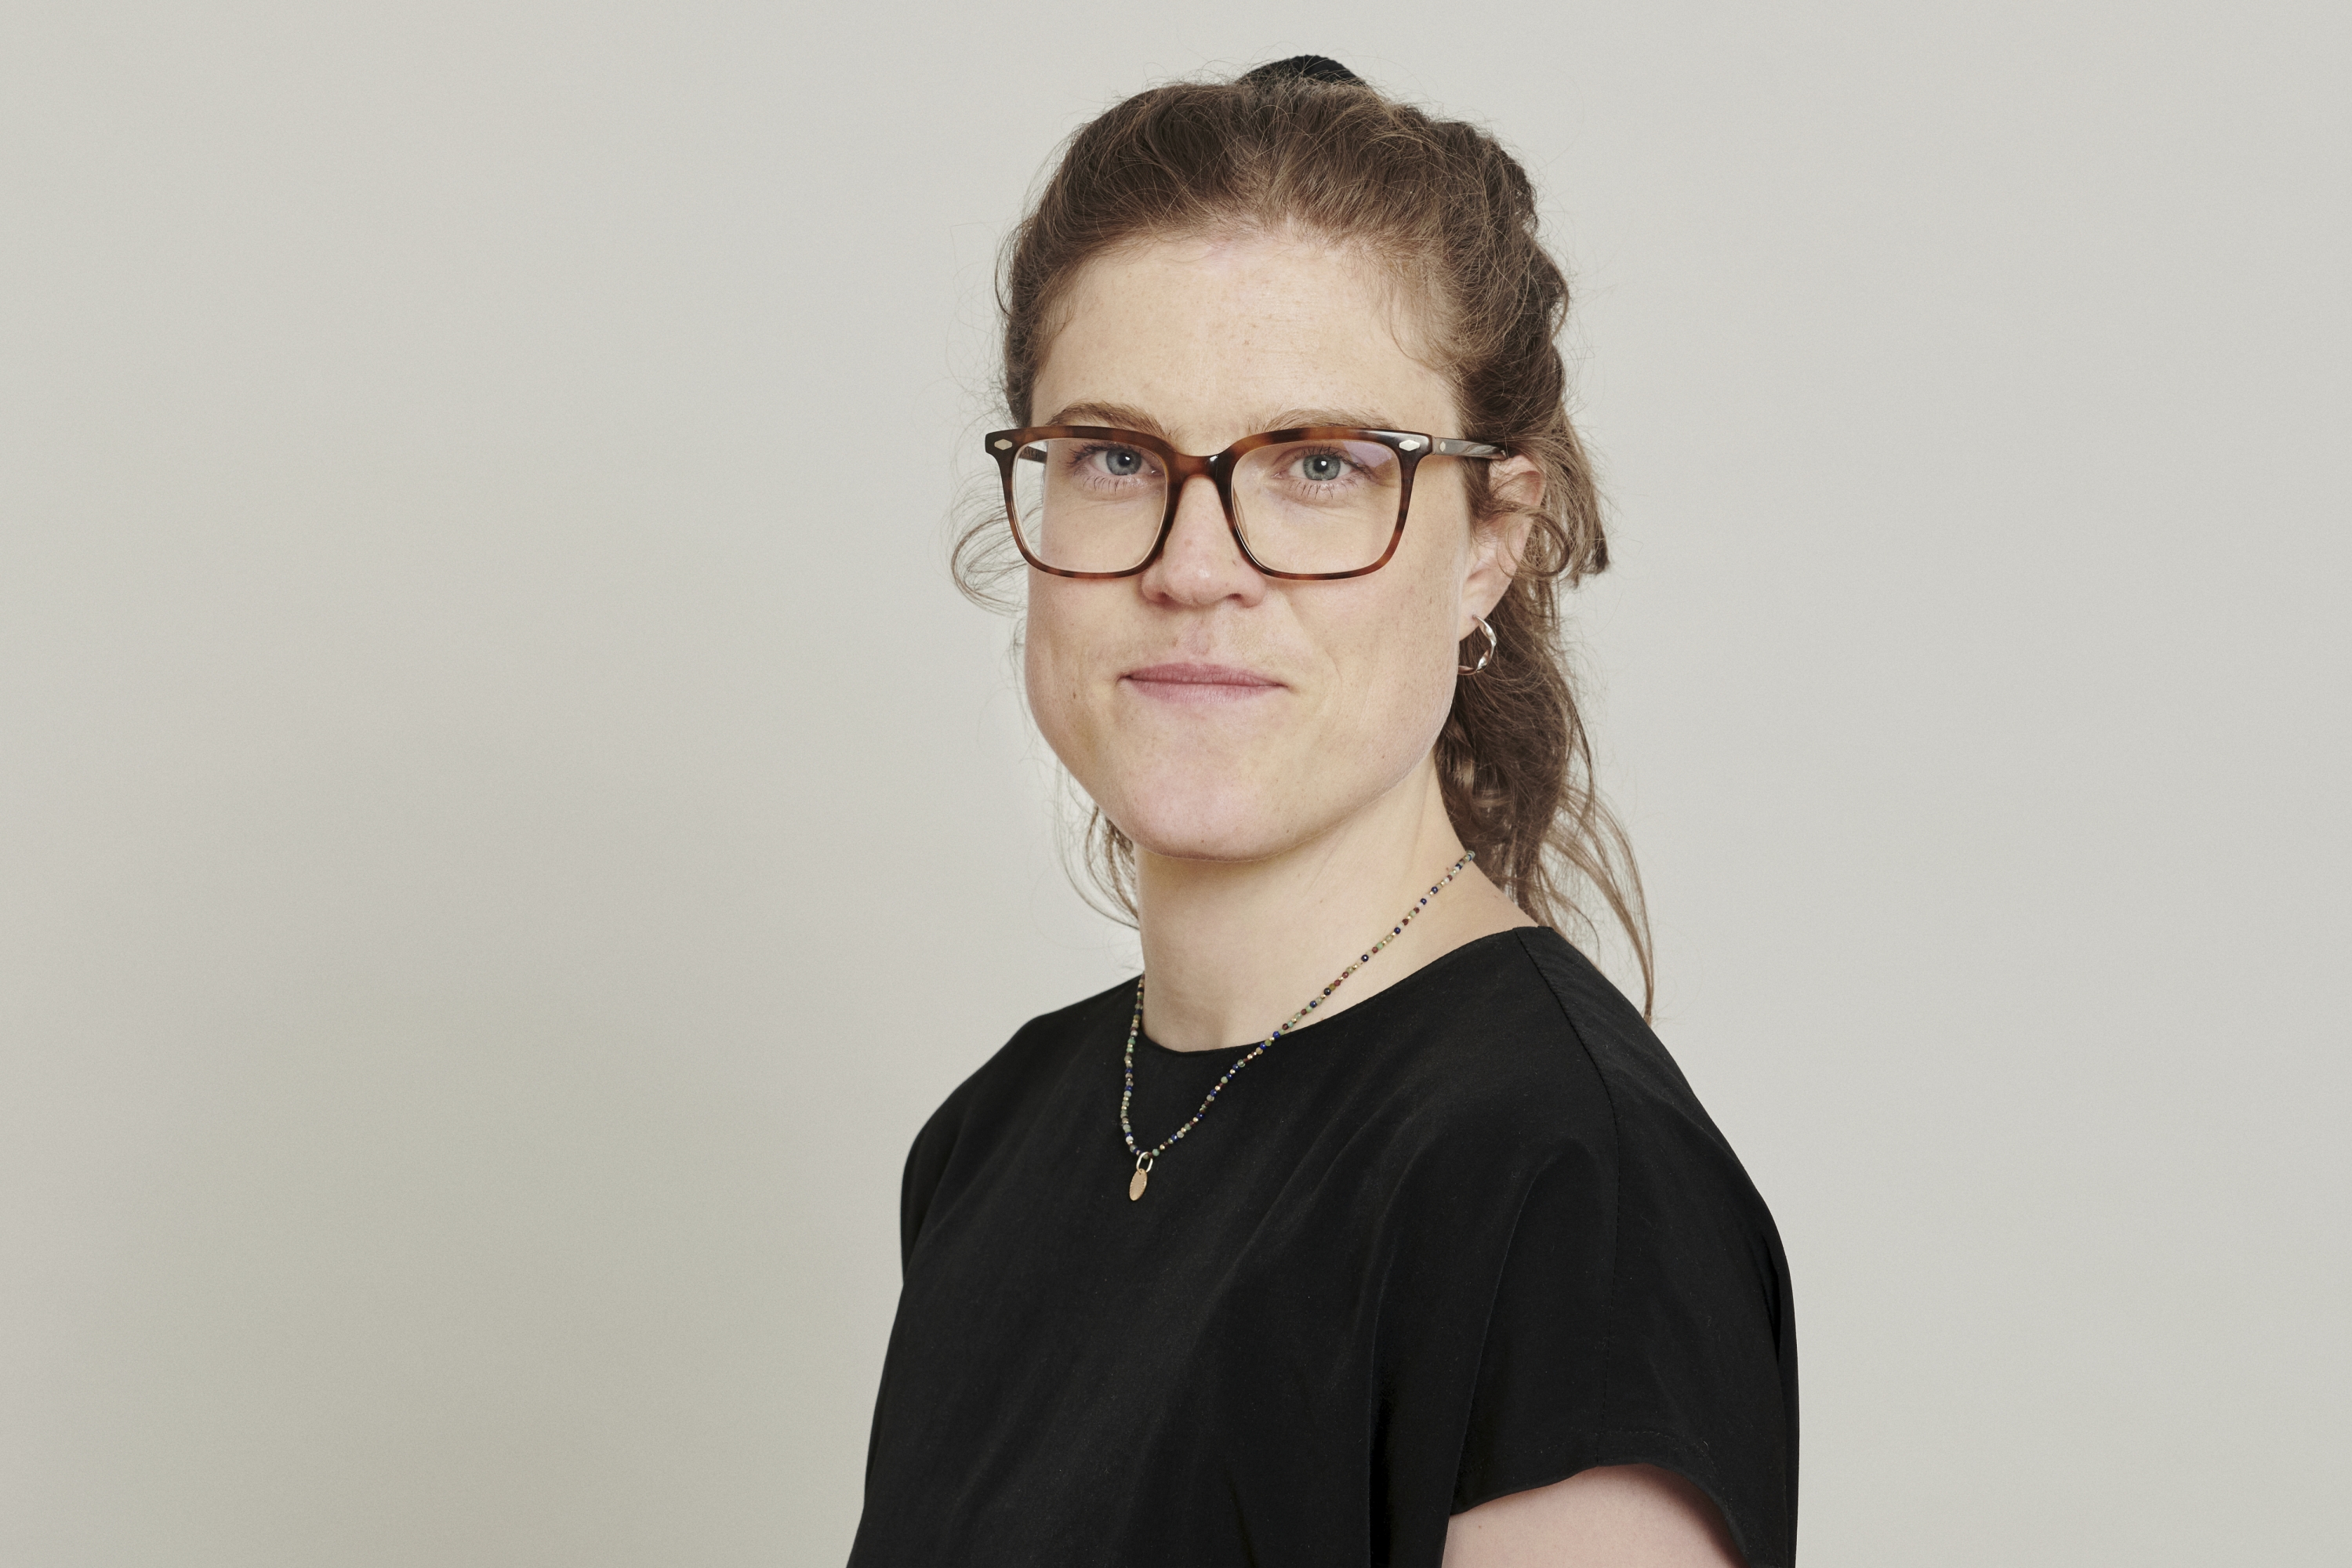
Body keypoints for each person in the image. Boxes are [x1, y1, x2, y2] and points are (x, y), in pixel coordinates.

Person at [850, 56, 1797, 1568]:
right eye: (1116, 457)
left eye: (1318, 466)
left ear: (1490, 541)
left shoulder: (1571, 1192)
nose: (1193, 566)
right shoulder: (994, 1136)